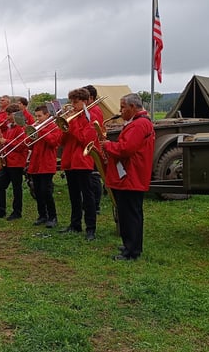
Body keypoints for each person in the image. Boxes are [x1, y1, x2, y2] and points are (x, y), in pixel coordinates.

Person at [101, 93, 155, 260]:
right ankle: (130, 244)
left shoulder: (139, 124)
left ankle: (131, 251)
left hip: (131, 175)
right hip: (131, 174)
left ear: (133, 107)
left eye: (123, 107)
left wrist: (108, 145)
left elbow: (126, 149)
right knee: (129, 212)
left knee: (130, 214)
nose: (120, 111)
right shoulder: (138, 123)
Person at [59, 88, 98, 241]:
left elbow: (85, 140)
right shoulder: (72, 118)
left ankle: (91, 228)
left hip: (83, 161)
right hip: (70, 161)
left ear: (85, 102)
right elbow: (61, 141)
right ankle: (75, 224)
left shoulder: (91, 118)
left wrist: (72, 123)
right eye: (72, 102)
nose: (73, 106)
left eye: (76, 102)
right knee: (74, 195)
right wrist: (64, 128)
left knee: (87, 196)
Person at [0, 104, 28, 220]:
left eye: (9, 114)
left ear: (15, 114)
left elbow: (22, 145)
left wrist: (5, 141)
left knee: (17, 188)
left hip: (16, 162)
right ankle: (0, 210)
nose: (7, 117)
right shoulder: (10, 127)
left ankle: (17, 212)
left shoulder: (21, 127)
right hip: (7, 161)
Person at [27, 104, 61, 228]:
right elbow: (30, 145)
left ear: (47, 115)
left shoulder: (54, 127)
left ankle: (53, 216)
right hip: (35, 162)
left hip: (47, 163)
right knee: (37, 190)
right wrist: (30, 136)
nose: (37, 119)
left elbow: (53, 142)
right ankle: (42, 215)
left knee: (46, 191)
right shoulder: (37, 127)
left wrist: (41, 130)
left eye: (40, 116)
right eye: (36, 116)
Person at [84, 85, 105, 215]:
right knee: (90, 178)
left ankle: (95, 205)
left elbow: (93, 129)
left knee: (94, 177)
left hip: (94, 147)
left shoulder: (94, 110)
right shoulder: (89, 109)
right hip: (90, 147)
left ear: (91, 98)